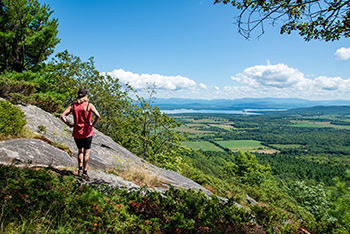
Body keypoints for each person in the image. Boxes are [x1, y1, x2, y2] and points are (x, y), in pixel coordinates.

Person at [60, 88, 100, 180]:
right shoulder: (89, 105)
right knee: (86, 153)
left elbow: (62, 116)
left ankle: (80, 169)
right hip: (87, 132)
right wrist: (92, 124)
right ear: (86, 96)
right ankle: (85, 171)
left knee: (80, 151)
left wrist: (69, 125)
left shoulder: (73, 106)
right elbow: (97, 115)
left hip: (77, 132)